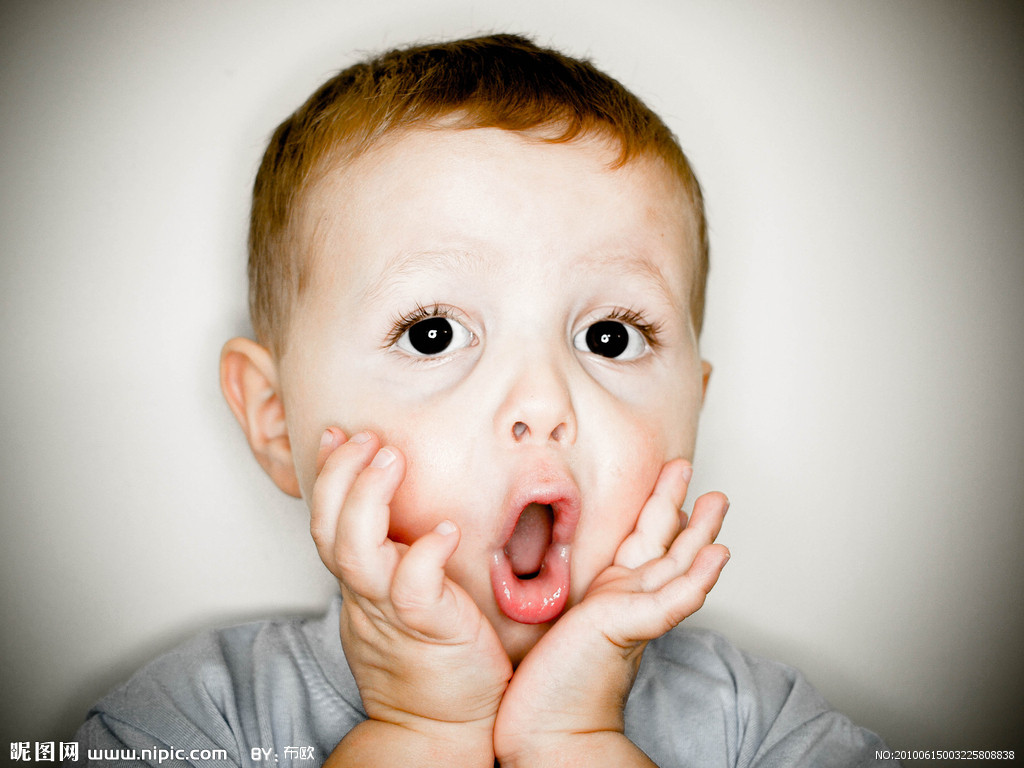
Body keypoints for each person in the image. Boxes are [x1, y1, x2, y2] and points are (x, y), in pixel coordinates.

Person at [71, 34, 896, 767]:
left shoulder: (765, 727)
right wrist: (419, 733)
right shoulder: (191, 722)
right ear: (277, 421)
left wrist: (575, 743)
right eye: (432, 334)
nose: (543, 400)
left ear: (693, 411)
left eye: (611, 337)